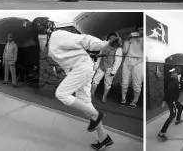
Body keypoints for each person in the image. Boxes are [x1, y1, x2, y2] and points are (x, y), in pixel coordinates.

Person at [31, 17, 121, 150]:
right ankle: (104, 138)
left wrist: (105, 44)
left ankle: (97, 115)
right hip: (80, 69)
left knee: (61, 94)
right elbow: (68, 56)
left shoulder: (57, 35)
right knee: (85, 105)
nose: (39, 40)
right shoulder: (52, 42)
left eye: (39, 35)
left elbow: (82, 39)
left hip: (82, 68)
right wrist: (62, 68)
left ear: (44, 31)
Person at [91, 32, 122, 103]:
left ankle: (104, 97)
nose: (111, 39)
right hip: (101, 66)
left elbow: (118, 61)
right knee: (95, 81)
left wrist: (113, 71)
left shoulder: (118, 49)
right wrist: (96, 66)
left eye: (113, 38)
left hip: (110, 68)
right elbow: (99, 57)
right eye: (110, 38)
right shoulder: (104, 46)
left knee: (107, 83)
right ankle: (92, 94)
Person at [158, 67, 183, 141]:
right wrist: (164, 101)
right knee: (172, 115)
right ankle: (161, 133)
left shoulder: (176, 80)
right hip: (171, 100)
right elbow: (168, 92)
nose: (174, 74)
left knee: (180, 107)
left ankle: (178, 120)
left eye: (175, 73)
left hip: (174, 100)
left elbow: (179, 84)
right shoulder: (173, 82)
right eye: (173, 73)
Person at [120, 26, 144, 108]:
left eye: (142, 30)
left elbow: (145, 50)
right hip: (128, 60)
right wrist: (126, 40)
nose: (140, 31)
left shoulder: (146, 39)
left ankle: (134, 101)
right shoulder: (131, 38)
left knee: (136, 84)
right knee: (124, 82)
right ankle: (123, 99)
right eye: (138, 30)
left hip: (140, 62)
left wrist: (143, 38)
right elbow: (124, 51)